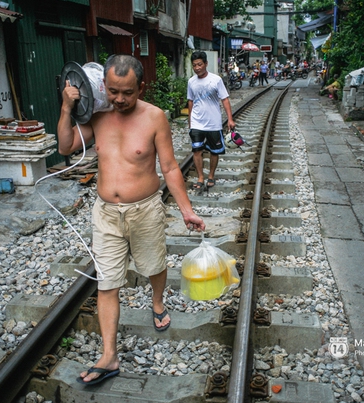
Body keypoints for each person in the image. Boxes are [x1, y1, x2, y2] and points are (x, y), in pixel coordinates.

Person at [58, 55, 206, 385]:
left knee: (153, 266)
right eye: (113, 91)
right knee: (107, 283)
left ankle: (157, 301)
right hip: (106, 214)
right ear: (103, 87)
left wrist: (186, 210)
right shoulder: (96, 115)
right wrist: (67, 108)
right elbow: (65, 145)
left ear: (140, 87)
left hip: (146, 210)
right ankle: (109, 356)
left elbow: (169, 168)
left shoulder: (155, 117)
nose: (119, 100)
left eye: (127, 92)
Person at [187, 51, 236, 190]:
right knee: (197, 150)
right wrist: (190, 122)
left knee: (214, 151)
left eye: (199, 64)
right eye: (194, 65)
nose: (197, 68)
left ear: (206, 64)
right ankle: (200, 177)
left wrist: (230, 119)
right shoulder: (191, 81)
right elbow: (190, 101)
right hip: (197, 122)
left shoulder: (216, 80)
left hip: (213, 122)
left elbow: (225, 99)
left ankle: (211, 175)